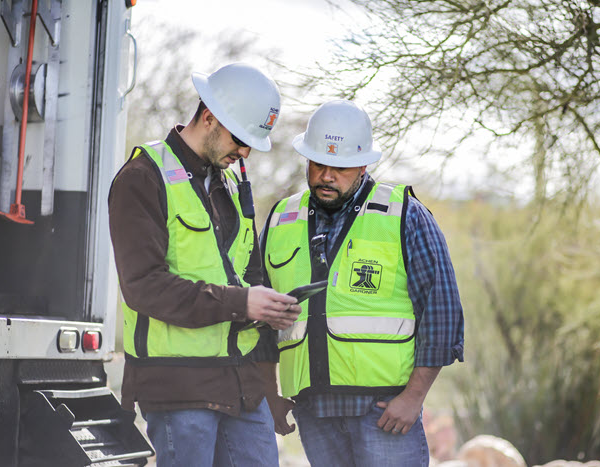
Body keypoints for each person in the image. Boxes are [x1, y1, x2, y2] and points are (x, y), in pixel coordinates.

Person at [108, 62, 301, 467]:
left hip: (243, 384)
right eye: (240, 139)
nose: (245, 152)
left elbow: (245, 275)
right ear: (209, 117)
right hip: (179, 387)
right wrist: (241, 303)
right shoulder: (142, 178)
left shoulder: (228, 185)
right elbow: (143, 286)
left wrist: (267, 307)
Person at [260, 99, 465, 467]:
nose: (326, 175)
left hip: (385, 411)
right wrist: (269, 393)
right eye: (318, 163)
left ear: (364, 164)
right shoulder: (281, 218)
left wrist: (414, 397)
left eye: (339, 167)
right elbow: (259, 316)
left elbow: (442, 309)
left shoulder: (404, 214)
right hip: (312, 409)